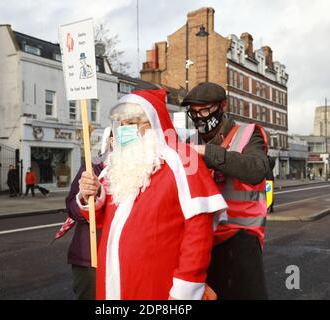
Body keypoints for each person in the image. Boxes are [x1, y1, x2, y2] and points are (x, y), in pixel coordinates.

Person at [77, 89, 227, 300]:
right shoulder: (115, 167)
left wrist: (185, 289)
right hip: (114, 281)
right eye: (120, 124)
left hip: (159, 286)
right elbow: (99, 217)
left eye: (133, 123)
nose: (124, 130)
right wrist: (91, 194)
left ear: (155, 126)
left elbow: (199, 230)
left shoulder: (182, 162)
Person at [182, 82, 270, 300]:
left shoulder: (249, 134)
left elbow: (256, 169)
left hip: (241, 239)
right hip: (201, 240)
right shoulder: (188, 142)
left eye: (204, 110)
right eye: (193, 112)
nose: (199, 117)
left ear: (223, 106)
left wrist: (206, 152)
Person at [65, 127, 112, 300]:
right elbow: (71, 207)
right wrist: (85, 199)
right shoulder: (91, 169)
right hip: (91, 260)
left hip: (127, 260)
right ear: (110, 141)